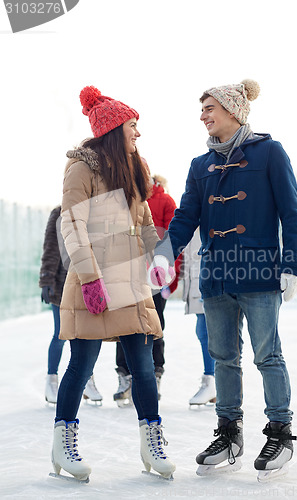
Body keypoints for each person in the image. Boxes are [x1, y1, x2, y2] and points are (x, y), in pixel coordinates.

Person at [147, 79, 297, 480]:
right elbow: (185, 218)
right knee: (223, 358)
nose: (202, 116)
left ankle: (280, 432)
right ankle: (229, 431)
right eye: (201, 109)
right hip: (215, 275)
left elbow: (291, 213)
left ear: (233, 111)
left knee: (267, 355)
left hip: (259, 272)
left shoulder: (270, 153)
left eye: (208, 108)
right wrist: (165, 254)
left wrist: (293, 265)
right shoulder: (201, 166)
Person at [51, 85, 176, 482]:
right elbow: (72, 225)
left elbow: (142, 222)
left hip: (131, 281)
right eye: (132, 126)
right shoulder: (82, 169)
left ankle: (152, 443)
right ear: (113, 128)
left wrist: (157, 258)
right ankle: (63, 445)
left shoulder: (136, 168)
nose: (138, 134)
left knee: (142, 366)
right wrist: (89, 279)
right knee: (82, 363)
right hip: (96, 282)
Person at [113, 174, 180, 404]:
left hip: (155, 279)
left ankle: (154, 374)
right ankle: (125, 377)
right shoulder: (125, 199)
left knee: (154, 325)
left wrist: (172, 279)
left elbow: (174, 240)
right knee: (124, 326)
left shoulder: (166, 201)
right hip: (127, 277)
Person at [39, 206, 102, 405]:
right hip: (61, 284)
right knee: (60, 333)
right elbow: (50, 247)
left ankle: (87, 380)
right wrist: (46, 279)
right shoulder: (59, 213)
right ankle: (52, 381)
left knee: (88, 334)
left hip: (87, 284)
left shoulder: (94, 212)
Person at [181, 228, 215, 407]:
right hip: (198, 278)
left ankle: (215, 382)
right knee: (203, 331)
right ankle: (213, 381)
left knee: (208, 331)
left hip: (212, 277)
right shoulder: (194, 207)